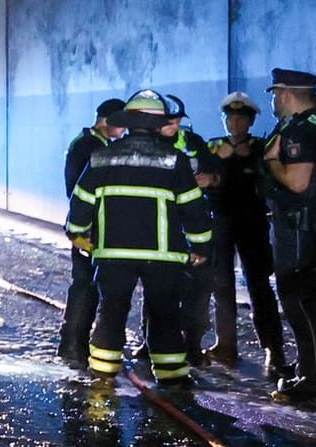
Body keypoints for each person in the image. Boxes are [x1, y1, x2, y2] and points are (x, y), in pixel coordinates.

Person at [66, 92, 213, 386]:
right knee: (164, 315)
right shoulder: (175, 160)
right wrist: (201, 246)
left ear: (128, 123)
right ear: (158, 125)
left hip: (113, 256)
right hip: (163, 258)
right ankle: (173, 380)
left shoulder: (101, 157)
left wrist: (78, 233)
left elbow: (81, 202)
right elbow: (194, 208)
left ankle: (103, 376)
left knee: (111, 313)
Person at [261, 68, 316, 408]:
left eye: (275, 94)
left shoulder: (302, 132)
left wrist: (271, 160)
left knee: (303, 303)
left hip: (302, 230)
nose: (274, 101)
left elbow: (297, 182)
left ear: (287, 94)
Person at [203, 92, 287, 376]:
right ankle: (224, 343)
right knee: (221, 284)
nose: (235, 123)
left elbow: (272, 181)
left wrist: (251, 158)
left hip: (252, 223)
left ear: (250, 121)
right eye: (230, 117)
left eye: (241, 118)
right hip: (220, 223)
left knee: (259, 286)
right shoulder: (212, 148)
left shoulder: (262, 148)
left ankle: (273, 349)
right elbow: (200, 179)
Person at [59, 97, 126, 365]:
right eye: (122, 125)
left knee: (88, 287)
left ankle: (76, 344)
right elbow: (82, 192)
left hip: (93, 228)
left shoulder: (93, 144)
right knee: (84, 287)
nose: (124, 131)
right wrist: (82, 230)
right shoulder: (88, 147)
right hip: (89, 231)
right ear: (108, 121)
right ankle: (74, 346)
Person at [166, 96, 224, 366]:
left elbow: (218, 175)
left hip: (193, 225)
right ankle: (153, 342)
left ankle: (192, 345)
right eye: (170, 121)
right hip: (164, 228)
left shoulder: (193, 143)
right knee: (161, 288)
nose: (175, 126)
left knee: (198, 290)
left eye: (178, 121)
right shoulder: (149, 145)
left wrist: (211, 179)